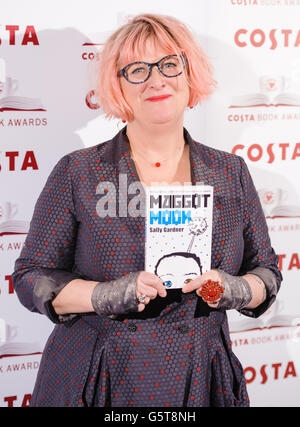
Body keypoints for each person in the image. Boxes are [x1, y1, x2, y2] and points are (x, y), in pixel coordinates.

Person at [12, 13, 282, 407]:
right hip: (98, 373)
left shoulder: (230, 172)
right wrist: (106, 295)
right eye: (137, 70)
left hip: (201, 374)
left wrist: (232, 289)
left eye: (169, 64)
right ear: (118, 85)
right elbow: (29, 277)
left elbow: (267, 273)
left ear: (190, 73)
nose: (157, 80)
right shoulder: (79, 171)